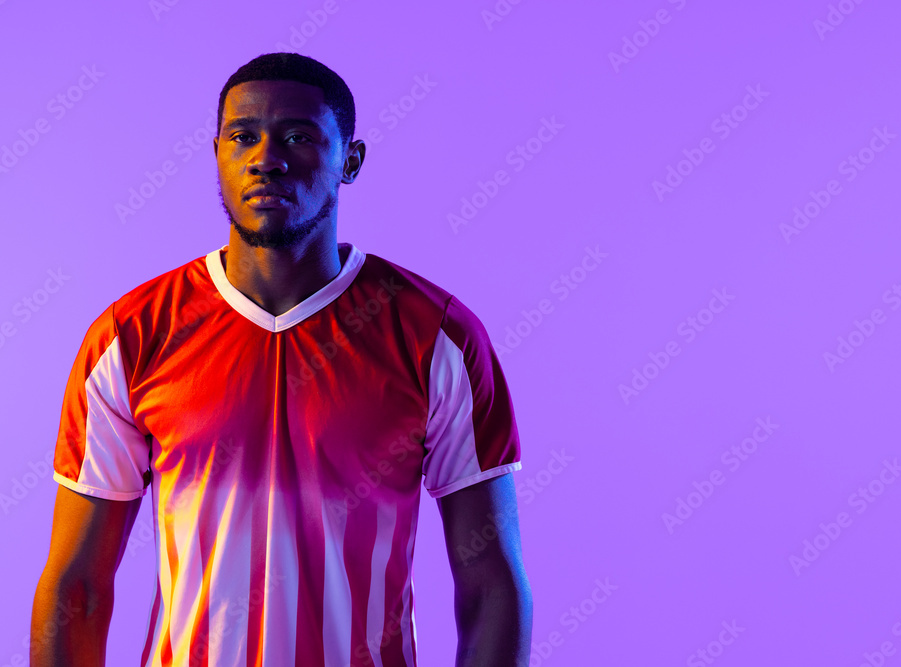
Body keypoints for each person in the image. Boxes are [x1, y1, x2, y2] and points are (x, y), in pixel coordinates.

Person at [30, 52, 532, 667]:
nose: (267, 157)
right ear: (217, 153)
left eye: (298, 136)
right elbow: (77, 586)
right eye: (243, 136)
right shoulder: (133, 334)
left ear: (350, 160)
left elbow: (490, 583)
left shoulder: (437, 335)